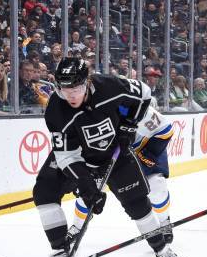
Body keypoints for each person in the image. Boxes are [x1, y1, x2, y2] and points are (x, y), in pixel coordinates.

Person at [34, 58, 189, 257]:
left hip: (116, 154)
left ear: (87, 82)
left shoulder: (109, 86)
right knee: (44, 191)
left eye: (75, 89)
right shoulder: (56, 109)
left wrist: (129, 123)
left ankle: (163, 251)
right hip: (80, 157)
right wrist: (86, 185)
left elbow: (144, 93)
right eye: (64, 90)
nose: (71, 96)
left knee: (138, 204)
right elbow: (66, 155)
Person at [72, 102, 176, 244]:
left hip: (141, 150)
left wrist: (148, 154)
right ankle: (77, 227)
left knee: (156, 185)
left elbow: (165, 130)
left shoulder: (138, 110)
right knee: (89, 189)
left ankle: (164, 222)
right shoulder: (93, 109)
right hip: (108, 154)